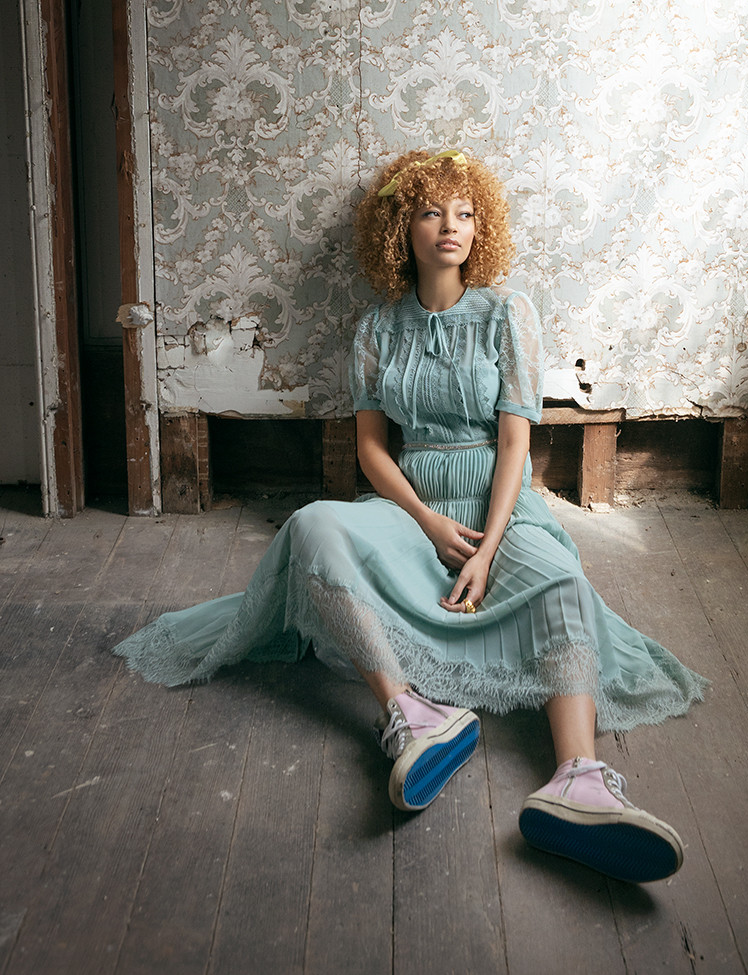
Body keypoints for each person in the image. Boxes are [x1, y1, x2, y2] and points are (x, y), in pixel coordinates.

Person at [113, 148, 706, 884]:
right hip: (412, 503)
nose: (450, 226)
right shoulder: (375, 329)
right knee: (313, 527)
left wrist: (486, 549)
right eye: (431, 212)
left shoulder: (508, 313)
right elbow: (371, 448)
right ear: (402, 229)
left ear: (480, 228)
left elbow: (515, 443)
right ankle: (412, 715)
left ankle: (578, 779)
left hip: (499, 508)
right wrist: (426, 522)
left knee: (562, 581)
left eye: (464, 213)